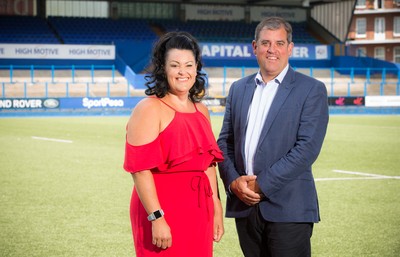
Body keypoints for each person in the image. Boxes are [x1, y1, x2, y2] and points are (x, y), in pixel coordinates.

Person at [217, 17, 329, 257]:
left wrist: (261, 184)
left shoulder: (311, 89)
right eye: (266, 43)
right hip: (244, 206)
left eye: (279, 43)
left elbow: (306, 149)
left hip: (289, 208)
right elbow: (224, 143)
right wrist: (234, 182)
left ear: (290, 48)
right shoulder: (238, 88)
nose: (272, 50)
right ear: (254, 47)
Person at [123, 31, 224, 257]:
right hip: (161, 209)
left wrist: (216, 206)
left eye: (189, 65)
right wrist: (157, 217)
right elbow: (140, 170)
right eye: (175, 65)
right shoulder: (148, 108)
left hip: (199, 209)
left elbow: (208, 165)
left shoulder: (202, 111)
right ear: (163, 68)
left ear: (196, 67)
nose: (182, 72)